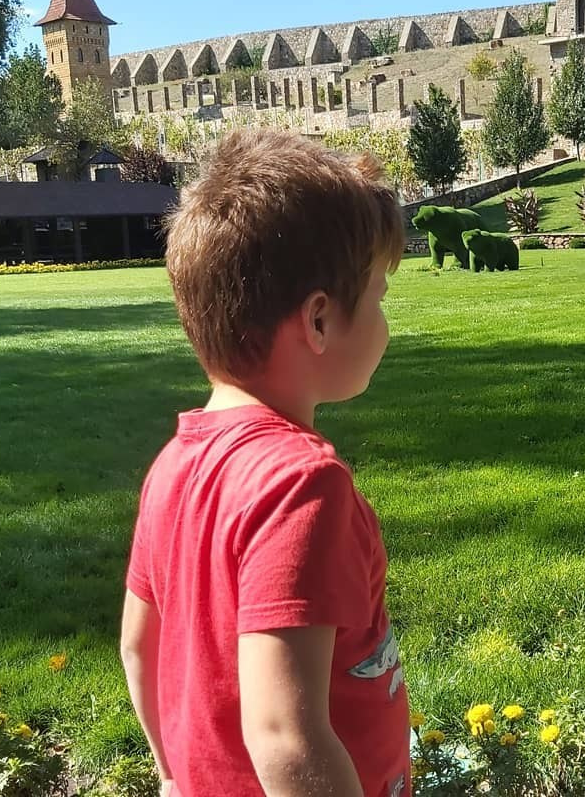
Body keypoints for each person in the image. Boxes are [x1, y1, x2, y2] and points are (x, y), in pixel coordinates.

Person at [120, 129, 410, 797]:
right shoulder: (302, 486)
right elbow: (284, 736)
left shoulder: (173, 465)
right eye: (378, 297)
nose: (385, 319)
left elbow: (140, 647)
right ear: (318, 321)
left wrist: (170, 774)